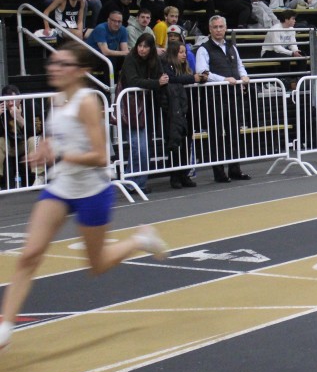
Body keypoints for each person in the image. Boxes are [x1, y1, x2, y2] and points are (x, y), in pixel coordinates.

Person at [0, 44, 168, 351]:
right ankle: (5, 329)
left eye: (63, 64)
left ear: (80, 71)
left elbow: (100, 157)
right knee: (29, 255)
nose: (55, 68)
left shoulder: (87, 102)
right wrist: (45, 148)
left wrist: (60, 154)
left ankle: (139, 239)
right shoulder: (56, 99)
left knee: (97, 265)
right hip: (62, 186)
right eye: (53, 63)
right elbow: (59, 138)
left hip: (92, 190)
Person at [194, 15, 252, 183]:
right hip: (215, 98)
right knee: (216, 135)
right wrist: (224, 79)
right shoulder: (203, 49)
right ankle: (219, 173)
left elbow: (240, 65)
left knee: (234, 133)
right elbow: (202, 72)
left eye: (221, 27)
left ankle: (235, 169)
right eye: (215, 27)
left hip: (233, 97)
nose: (218, 30)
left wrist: (244, 76)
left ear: (225, 28)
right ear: (210, 29)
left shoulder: (231, 47)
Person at [119, 33, 167, 191]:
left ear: (151, 48)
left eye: (145, 46)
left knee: (144, 147)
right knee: (138, 147)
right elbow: (133, 81)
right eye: (140, 45)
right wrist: (156, 83)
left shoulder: (155, 60)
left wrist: (160, 81)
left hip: (148, 107)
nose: (142, 49)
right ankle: (132, 182)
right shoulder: (130, 58)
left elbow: (161, 77)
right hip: (132, 107)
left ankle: (137, 182)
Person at [162, 38, 205, 189]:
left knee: (187, 141)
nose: (184, 55)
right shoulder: (166, 66)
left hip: (187, 107)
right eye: (180, 52)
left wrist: (200, 78)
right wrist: (192, 78)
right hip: (174, 110)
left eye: (184, 52)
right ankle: (175, 175)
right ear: (173, 54)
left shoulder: (185, 67)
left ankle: (184, 173)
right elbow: (171, 79)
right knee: (175, 141)